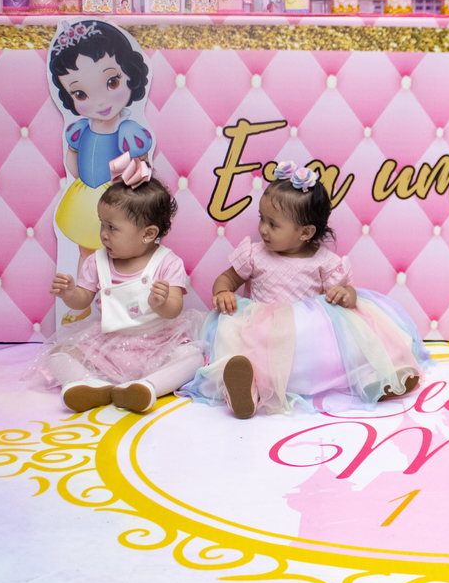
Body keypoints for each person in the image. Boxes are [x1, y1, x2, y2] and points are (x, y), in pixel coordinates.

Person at [181, 161, 431, 419]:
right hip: (261, 333)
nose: (263, 229)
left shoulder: (324, 262)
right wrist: (223, 291)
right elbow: (227, 278)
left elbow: (346, 292)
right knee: (238, 344)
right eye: (261, 218)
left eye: (273, 224)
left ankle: (372, 377)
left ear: (305, 232)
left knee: (350, 338)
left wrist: (346, 294)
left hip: (307, 340)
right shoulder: (254, 254)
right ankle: (247, 389)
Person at [31, 172, 204, 412]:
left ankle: (147, 387)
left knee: (192, 358)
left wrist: (162, 303)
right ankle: (91, 386)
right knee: (59, 354)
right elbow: (83, 300)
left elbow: (174, 309)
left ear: (148, 234)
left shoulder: (167, 262)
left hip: (157, 343)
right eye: (102, 223)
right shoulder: (96, 261)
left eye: (112, 227)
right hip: (110, 344)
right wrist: (70, 293)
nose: (103, 233)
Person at [48, 19, 154, 323]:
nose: (101, 101)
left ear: (130, 75)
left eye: (112, 83)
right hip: (85, 198)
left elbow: (142, 167)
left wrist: (126, 173)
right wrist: (77, 165)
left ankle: (121, 305)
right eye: (81, 94)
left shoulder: (128, 130)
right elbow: (74, 163)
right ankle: (82, 302)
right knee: (87, 252)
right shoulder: (80, 129)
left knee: (119, 253)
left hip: (116, 199)